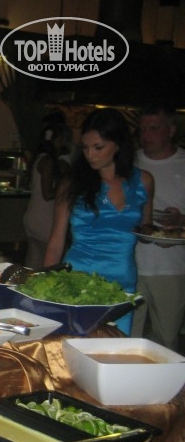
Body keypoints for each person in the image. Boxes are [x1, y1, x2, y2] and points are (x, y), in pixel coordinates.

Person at [44, 107, 154, 335]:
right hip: (78, 279)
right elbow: (56, 241)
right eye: (85, 147)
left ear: (118, 145)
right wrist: (44, 288)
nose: (90, 155)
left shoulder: (143, 181)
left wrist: (162, 236)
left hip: (122, 282)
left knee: (115, 349)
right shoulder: (73, 183)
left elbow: (146, 230)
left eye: (98, 147)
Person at [130, 105, 185, 352]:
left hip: (171, 266)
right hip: (130, 262)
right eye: (142, 129)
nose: (145, 135)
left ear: (171, 130)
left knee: (167, 340)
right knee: (125, 334)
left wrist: (181, 221)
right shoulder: (129, 163)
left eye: (153, 128)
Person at [23, 118, 73, 269]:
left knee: (33, 261)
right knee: (50, 261)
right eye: (63, 139)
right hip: (44, 218)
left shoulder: (38, 158)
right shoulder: (47, 161)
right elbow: (47, 194)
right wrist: (65, 190)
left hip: (33, 215)